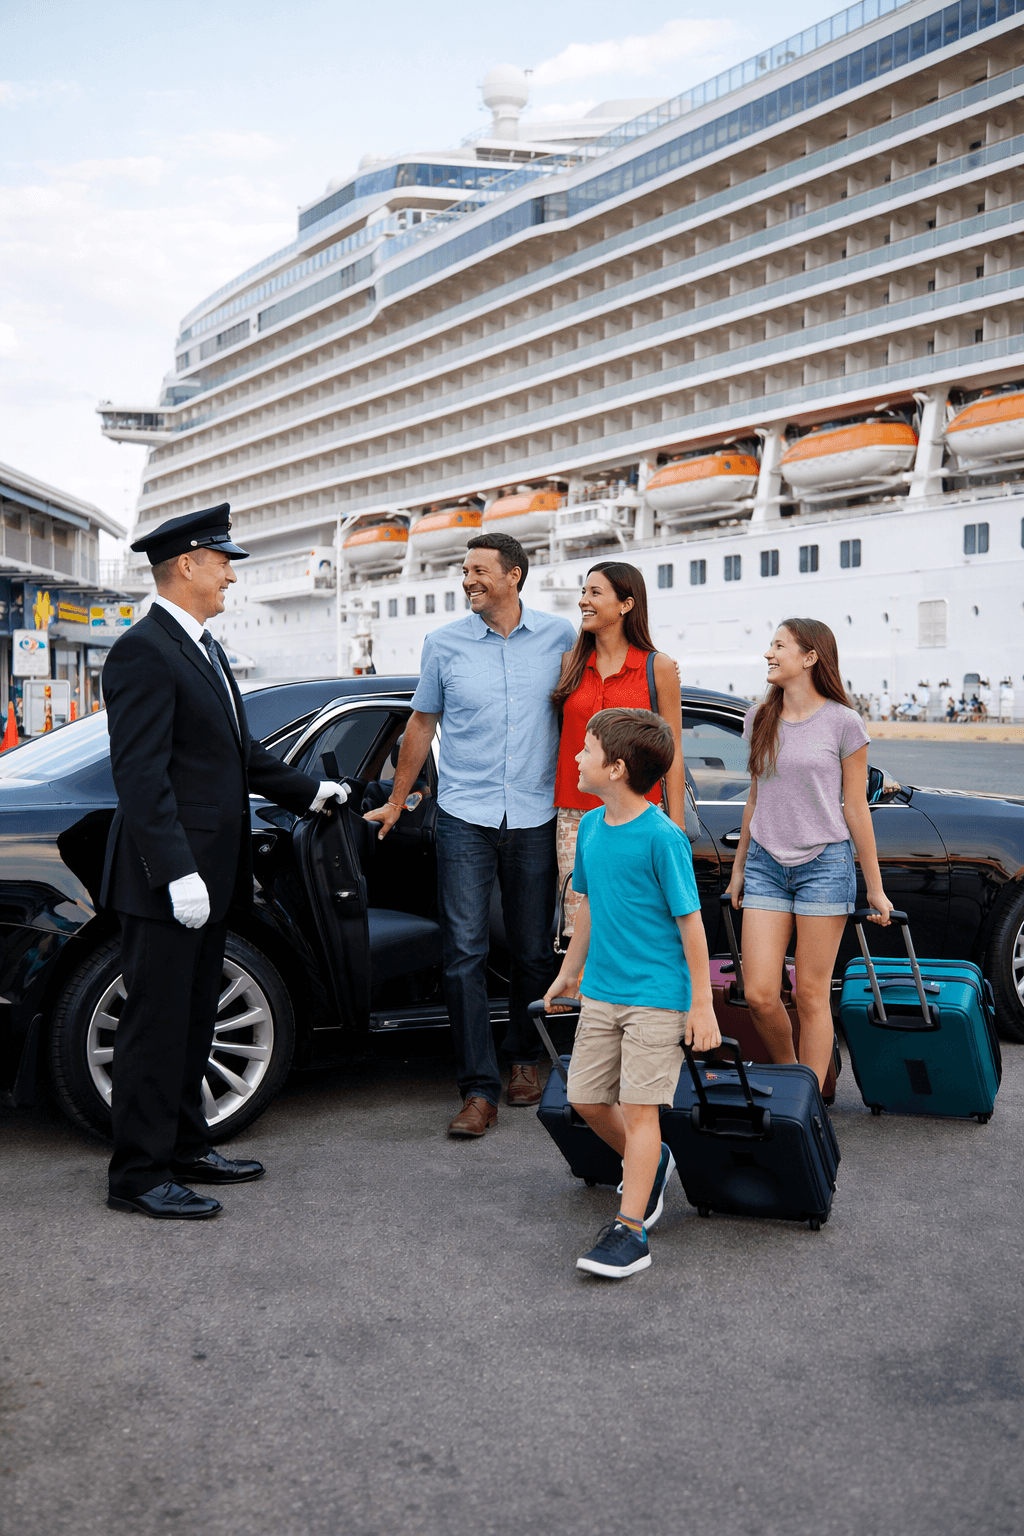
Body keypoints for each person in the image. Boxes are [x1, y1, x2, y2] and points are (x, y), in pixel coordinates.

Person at [100, 505, 348, 1219]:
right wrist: (176, 870)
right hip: (170, 879)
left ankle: (184, 1144)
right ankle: (139, 1178)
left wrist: (311, 791)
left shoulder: (200, 646)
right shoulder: (144, 650)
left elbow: (235, 752)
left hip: (209, 874)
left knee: (192, 1019)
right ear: (187, 565)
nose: (231, 573)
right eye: (222, 560)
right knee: (154, 1024)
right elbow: (141, 775)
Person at [365, 531, 577, 1135]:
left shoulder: (561, 637)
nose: (468, 580)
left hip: (536, 813)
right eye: (465, 571)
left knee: (535, 951)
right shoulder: (444, 644)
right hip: (463, 817)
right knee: (463, 955)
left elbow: (589, 707)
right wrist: (399, 799)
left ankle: (521, 1058)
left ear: (514, 575)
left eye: (480, 570)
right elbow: (421, 723)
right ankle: (477, 1089)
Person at [542, 707, 719, 1279]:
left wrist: (702, 1003)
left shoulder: (662, 838)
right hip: (602, 992)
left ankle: (631, 1230)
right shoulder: (592, 828)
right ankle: (651, 1163)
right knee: (588, 1100)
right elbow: (589, 909)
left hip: (656, 996)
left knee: (642, 1112)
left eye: (586, 750)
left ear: (616, 768)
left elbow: (692, 924)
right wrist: (570, 973)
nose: (575, 757)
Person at [725, 619, 894, 1090]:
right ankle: (795, 1074)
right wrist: (739, 870)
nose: (768, 654)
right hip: (764, 864)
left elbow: (856, 808)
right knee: (759, 992)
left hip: (824, 865)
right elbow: (755, 797)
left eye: (778, 645)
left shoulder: (843, 721)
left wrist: (875, 889)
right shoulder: (758, 717)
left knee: (813, 995)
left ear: (810, 656)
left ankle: (806, 1103)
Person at [551, 562, 685, 937]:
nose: (583, 602)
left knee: (632, 924)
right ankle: (584, 996)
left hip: (638, 815)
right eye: (583, 592)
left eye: (595, 593)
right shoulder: (570, 664)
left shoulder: (658, 667)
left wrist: (676, 825)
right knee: (578, 929)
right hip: (574, 816)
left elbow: (672, 750)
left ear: (626, 604)